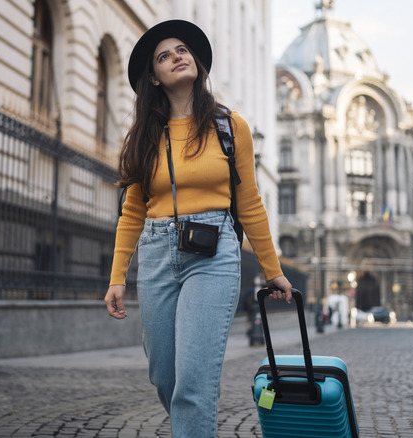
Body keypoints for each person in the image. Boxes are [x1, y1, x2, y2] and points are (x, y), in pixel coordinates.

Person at [103, 19, 292, 437]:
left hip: (213, 252)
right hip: (155, 253)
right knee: (164, 378)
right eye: (165, 55)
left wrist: (272, 268)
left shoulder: (230, 126)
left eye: (182, 50)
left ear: (197, 63)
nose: (177, 57)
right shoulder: (144, 136)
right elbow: (132, 210)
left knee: (192, 383)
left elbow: (250, 201)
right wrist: (118, 276)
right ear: (154, 75)